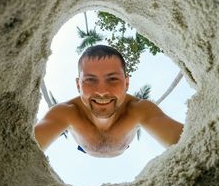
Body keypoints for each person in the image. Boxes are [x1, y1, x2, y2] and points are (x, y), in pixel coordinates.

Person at [34, 45, 183, 157]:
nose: (102, 91)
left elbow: (185, 140)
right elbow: (25, 146)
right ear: (78, 85)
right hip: (84, 148)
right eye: (90, 80)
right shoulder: (66, 112)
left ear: (126, 83)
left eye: (112, 79)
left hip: (122, 148)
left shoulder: (139, 110)